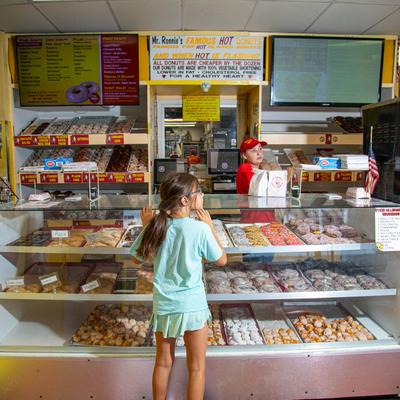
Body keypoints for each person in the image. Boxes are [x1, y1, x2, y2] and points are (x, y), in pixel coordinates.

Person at [130, 173, 227, 400]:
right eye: (198, 192)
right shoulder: (199, 229)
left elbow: (136, 259)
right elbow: (221, 259)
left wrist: (146, 226)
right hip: (192, 305)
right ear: (185, 200)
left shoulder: (156, 226)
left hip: (164, 304)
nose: (202, 196)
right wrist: (210, 226)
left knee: (163, 364)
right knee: (196, 368)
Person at [236, 137, 275, 223]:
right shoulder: (245, 168)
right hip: (255, 219)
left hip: (264, 217)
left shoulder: (258, 169)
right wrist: (287, 177)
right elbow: (261, 190)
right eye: (253, 151)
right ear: (244, 155)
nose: (258, 153)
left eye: (260, 149)